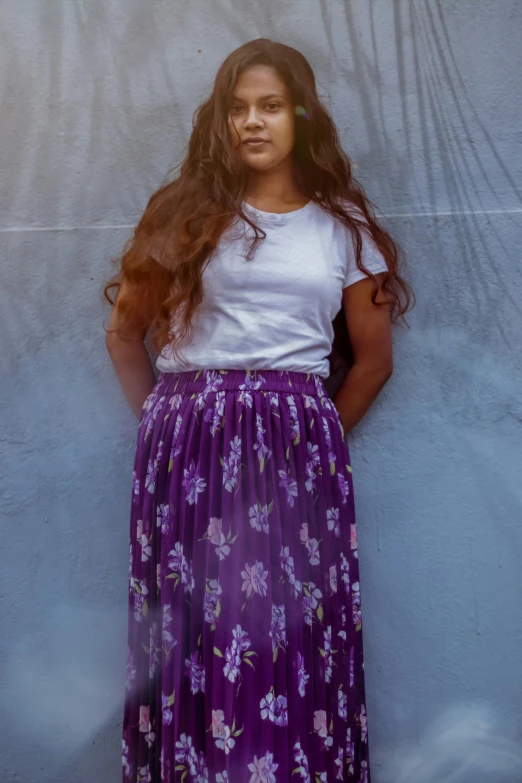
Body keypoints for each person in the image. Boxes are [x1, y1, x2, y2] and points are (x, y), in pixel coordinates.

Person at [104, 38, 413, 783]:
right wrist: (164, 426)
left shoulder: (345, 229)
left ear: (301, 117)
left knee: (289, 636)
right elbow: (124, 333)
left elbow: (372, 361)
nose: (252, 121)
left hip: (296, 445)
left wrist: (313, 442)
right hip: (187, 446)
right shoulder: (180, 215)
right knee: (195, 636)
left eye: (270, 106)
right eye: (238, 108)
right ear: (219, 120)